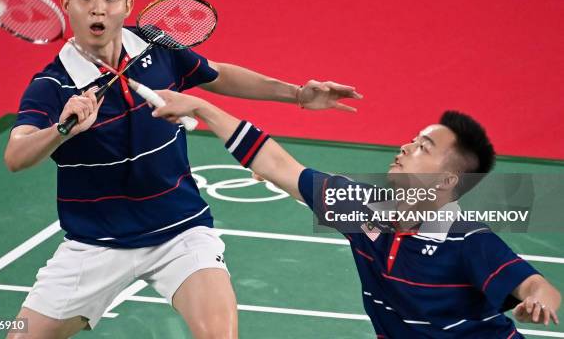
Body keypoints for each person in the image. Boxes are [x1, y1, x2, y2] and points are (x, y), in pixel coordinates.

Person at [3, 0, 361, 339]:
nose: (98, 8)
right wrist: (63, 129)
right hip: (95, 243)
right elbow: (16, 155)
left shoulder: (155, 47)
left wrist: (296, 94)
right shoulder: (51, 85)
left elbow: (218, 74)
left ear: (127, 4)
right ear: (67, 2)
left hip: (180, 231)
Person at [151, 90, 561, 338]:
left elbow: (539, 287)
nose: (404, 147)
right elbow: (279, 166)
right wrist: (204, 109)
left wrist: (538, 302)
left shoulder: (467, 240)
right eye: (412, 140)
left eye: (422, 147)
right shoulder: (366, 207)